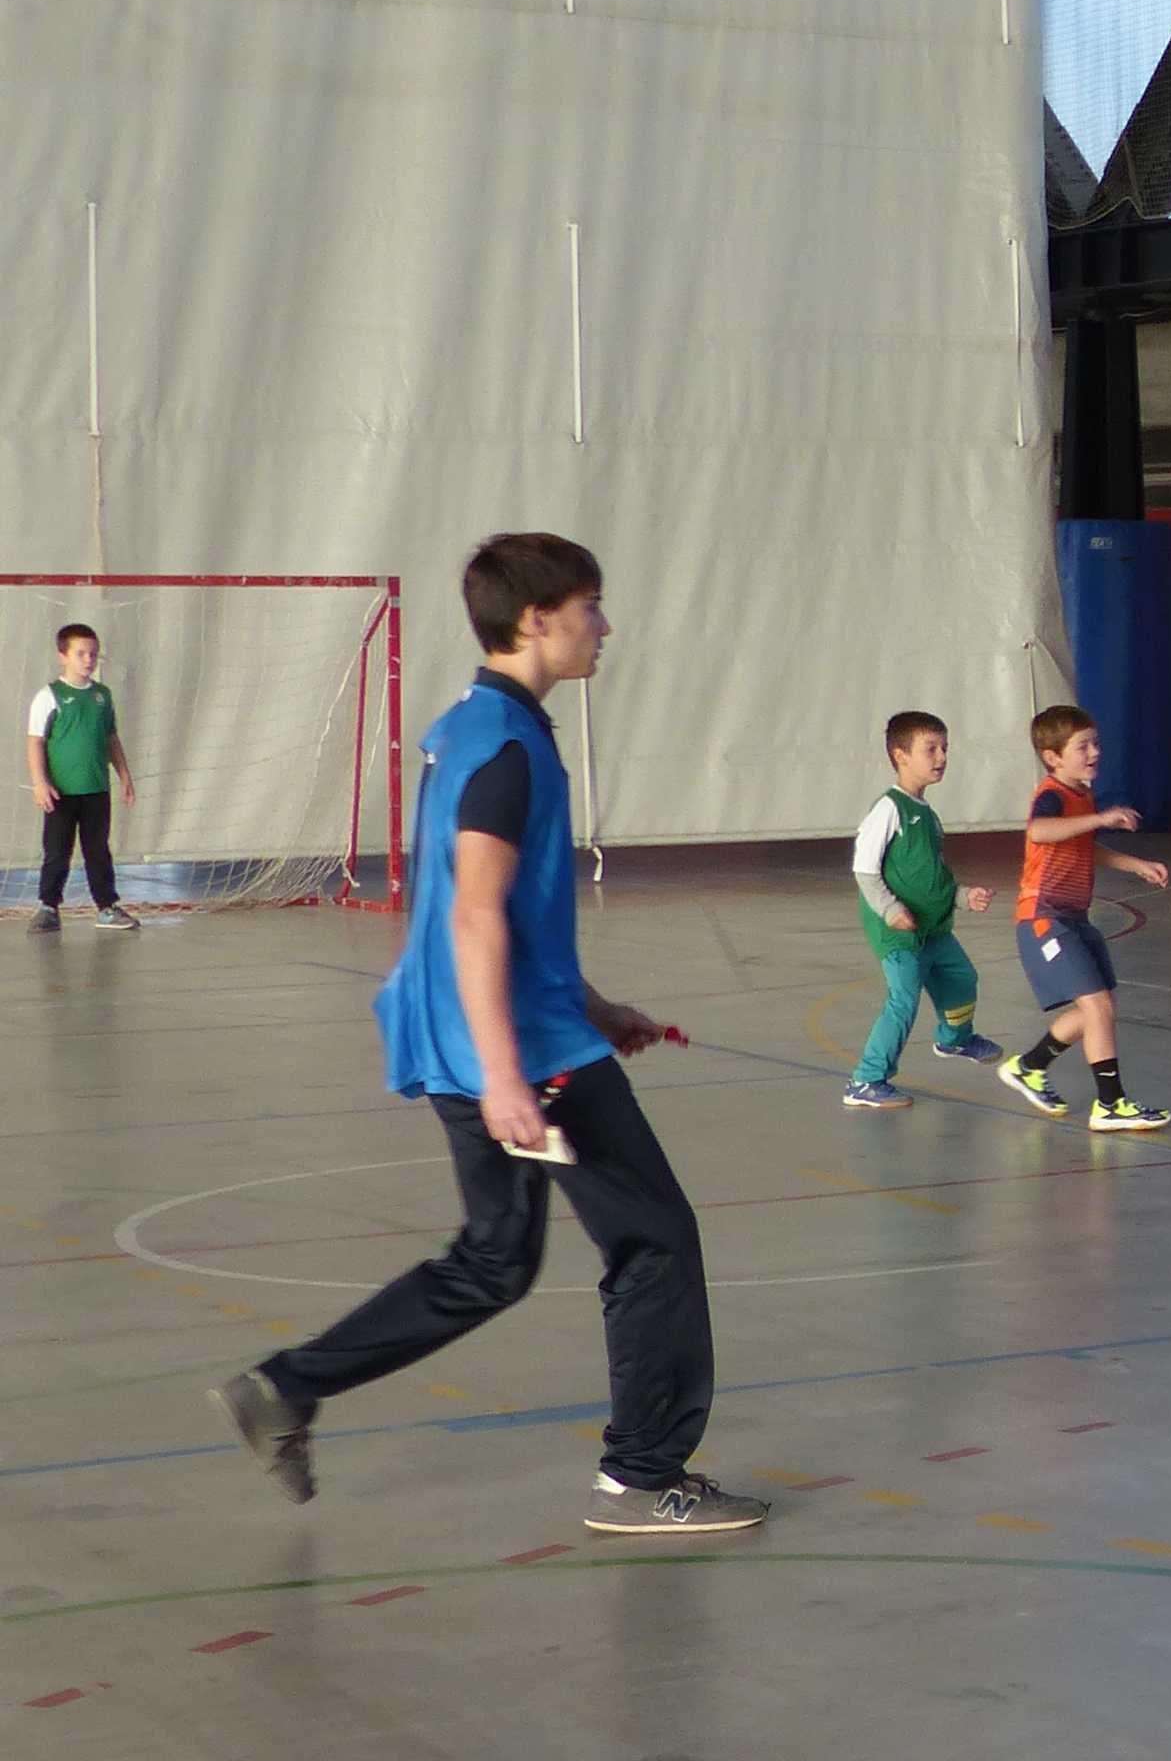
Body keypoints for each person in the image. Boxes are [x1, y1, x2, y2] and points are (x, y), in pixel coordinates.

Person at [212, 532, 760, 1536]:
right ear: (537, 620)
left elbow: (507, 911)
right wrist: (508, 1074)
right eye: (590, 607)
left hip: (473, 1035)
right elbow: (472, 912)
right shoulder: (508, 747)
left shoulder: (470, 726)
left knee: (495, 1260)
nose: (604, 626)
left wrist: (593, 1004)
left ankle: (287, 1387)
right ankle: (643, 1478)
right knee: (655, 1240)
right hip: (521, 1055)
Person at [997, 704, 1171, 1132]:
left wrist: (1134, 864)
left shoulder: (1081, 795)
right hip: (1043, 917)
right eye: (1082, 746)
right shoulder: (1053, 794)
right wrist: (1100, 817)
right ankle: (1110, 1104)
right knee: (1097, 1006)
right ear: (1053, 757)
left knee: (1100, 1009)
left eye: (1095, 743)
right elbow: (1039, 831)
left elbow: (1080, 846)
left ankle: (1028, 1067)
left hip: (1074, 916)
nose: (1094, 752)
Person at [842, 711, 1001, 1112]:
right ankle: (866, 1080)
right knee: (904, 999)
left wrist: (964, 897)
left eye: (945, 748)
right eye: (930, 749)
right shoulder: (889, 809)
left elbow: (931, 876)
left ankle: (955, 1039)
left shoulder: (927, 816)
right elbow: (864, 869)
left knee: (961, 978)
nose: (942, 757)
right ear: (901, 756)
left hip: (933, 928)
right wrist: (890, 909)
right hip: (898, 933)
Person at [26, 620, 135, 932]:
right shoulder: (49, 696)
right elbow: (35, 741)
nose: (89, 660)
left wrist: (125, 776)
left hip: (96, 790)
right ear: (63, 656)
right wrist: (40, 782)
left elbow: (111, 738)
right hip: (60, 792)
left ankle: (106, 907)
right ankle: (48, 907)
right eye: (81, 653)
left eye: (93, 654)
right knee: (57, 852)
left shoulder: (102, 695)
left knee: (98, 850)